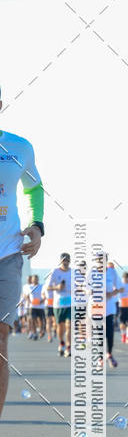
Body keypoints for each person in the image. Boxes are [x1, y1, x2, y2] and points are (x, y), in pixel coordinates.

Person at [0, 98, 44, 415]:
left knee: (0, 343)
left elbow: (34, 188)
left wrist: (37, 226)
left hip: (7, 257)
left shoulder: (19, 147)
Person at [47, 253, 72, 357]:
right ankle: (61, 342)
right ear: (60, 261)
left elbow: (81, 284)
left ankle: (68, 346)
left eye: (67, 260)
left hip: (70, 303)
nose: (65, 262)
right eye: (63, 261)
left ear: (69, 261)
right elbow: (48, 287)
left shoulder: (74, 272)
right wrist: (57, 288)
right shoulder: (54, 272)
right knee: (60, 326)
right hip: (58, 304)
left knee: (69, 325)